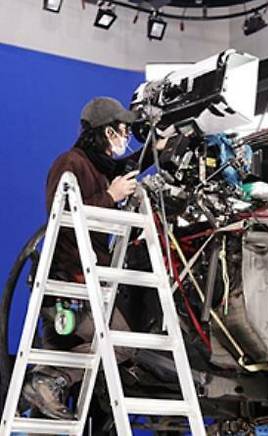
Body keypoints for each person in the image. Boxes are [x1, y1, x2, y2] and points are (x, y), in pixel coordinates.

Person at [21, 97, 164, 420]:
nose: (125, 136)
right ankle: (47, 379)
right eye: (121, 130)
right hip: (68, 283)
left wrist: (159, 146)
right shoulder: (70, 163)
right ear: (104, 131)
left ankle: (45, 386)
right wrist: (111, 196)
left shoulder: (97, 168)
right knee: (121, 344)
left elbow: (126, 167)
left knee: (59, 366)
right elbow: (64, 215)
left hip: (83, 282)